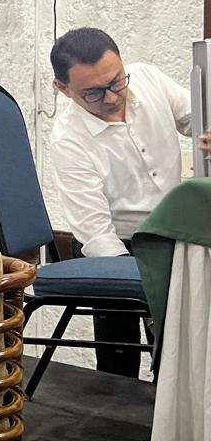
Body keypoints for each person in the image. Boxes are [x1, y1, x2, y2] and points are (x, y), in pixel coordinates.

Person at [48, 27, 211, 377]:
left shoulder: (149, 79)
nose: (111, 98)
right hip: (120, 244)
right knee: (118, 362)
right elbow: (96, 235)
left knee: (188, 354)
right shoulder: (68, 140)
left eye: (116, 82)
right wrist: (142, 286)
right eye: (93, 93)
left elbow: (197, 118)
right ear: (62, 88)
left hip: (174, 233)